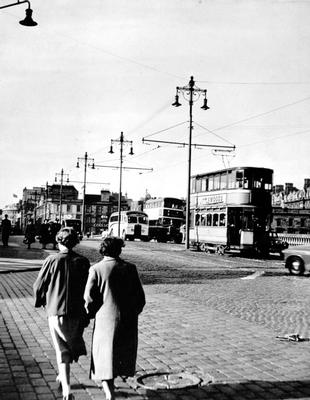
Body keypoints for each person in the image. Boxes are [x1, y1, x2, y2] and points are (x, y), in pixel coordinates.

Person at [84, 236, 145, 400]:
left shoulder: (96, 269)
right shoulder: (130, 268)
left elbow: (89, 299)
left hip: (105, 320)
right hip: (127, 319)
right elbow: (140, 298)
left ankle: (109, 391)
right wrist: (131, 314)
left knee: (104, 356)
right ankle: (116, 381)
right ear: (119, 250)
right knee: (121, 353)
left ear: (102, 249)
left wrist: (89, 315)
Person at [33, 227, 90, 400]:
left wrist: (42, 302)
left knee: (61, 349)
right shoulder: (83, 261)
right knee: (69, 345)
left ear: (58, 241)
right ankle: (62, 376)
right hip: (78, 311)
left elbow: (38, 286)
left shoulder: (52, 260)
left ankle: (66, 389)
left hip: (56, 310)